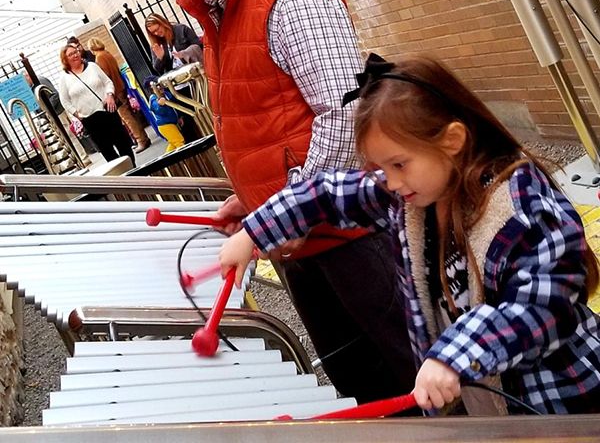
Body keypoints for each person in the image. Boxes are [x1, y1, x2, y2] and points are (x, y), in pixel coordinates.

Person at [150, 0, 416, 403]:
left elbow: (345, 114)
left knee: (416, 377)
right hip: (298, 239)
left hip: (352, 238)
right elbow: (268, 120)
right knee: (365, 389)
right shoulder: (222, 10)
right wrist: (251, 201)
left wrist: (289, 211)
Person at [219, 53, 600, 415]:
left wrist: (454, 354)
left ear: (452, 140)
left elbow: (540, 308)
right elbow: (326, 193)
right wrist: (254, 232)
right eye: (383, 168)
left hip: (568, 401)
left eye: (399, 164)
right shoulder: (413, 196)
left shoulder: (521, 204)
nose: (391, 181)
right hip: (494, 398)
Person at [58, 43, 135, 166]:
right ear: (65, 59)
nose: (75, 55)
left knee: (123, 143)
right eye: (70, 54)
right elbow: (64, 100)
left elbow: (108, 82)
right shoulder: (64, 77)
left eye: (76, 52)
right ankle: (122, 175)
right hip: (89, 118)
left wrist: (109, 95)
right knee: (107, 150)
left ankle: (134, 170)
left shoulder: (92, 66)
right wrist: (76, 113)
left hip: (107, 110)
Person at [145, 13, 202, 144]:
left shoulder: (181, 30)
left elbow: (198, 46)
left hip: (195, 79)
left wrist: (184, 53)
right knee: (188, 121)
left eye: (157, 28)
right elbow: (158, 69)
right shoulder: (157, 44)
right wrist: (161, 57)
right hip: (177, 86)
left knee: (205, 111)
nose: (157, 33)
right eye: (153, 32)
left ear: (162, 22)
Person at [87, 38, 151, 154]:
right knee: (131, 114)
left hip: (115, 91)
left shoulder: (99, 58)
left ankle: (141, 139)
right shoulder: (107, 53)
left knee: (127, 117)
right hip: (120, 87)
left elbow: (105, 76)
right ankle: (143, 137)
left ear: (91, 49)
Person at [144, 76, 185, 153]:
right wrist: (160, 104)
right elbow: (157, 109)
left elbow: (175, 105)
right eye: (157, 86)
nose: (160, 87)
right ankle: (186, 158)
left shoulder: (166, 94)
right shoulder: (153, 98)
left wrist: (179, 116)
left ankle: (168, 160)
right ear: (152, 89)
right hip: (165, 125)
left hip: (172, 123)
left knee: (173, 143)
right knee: (179, 141)